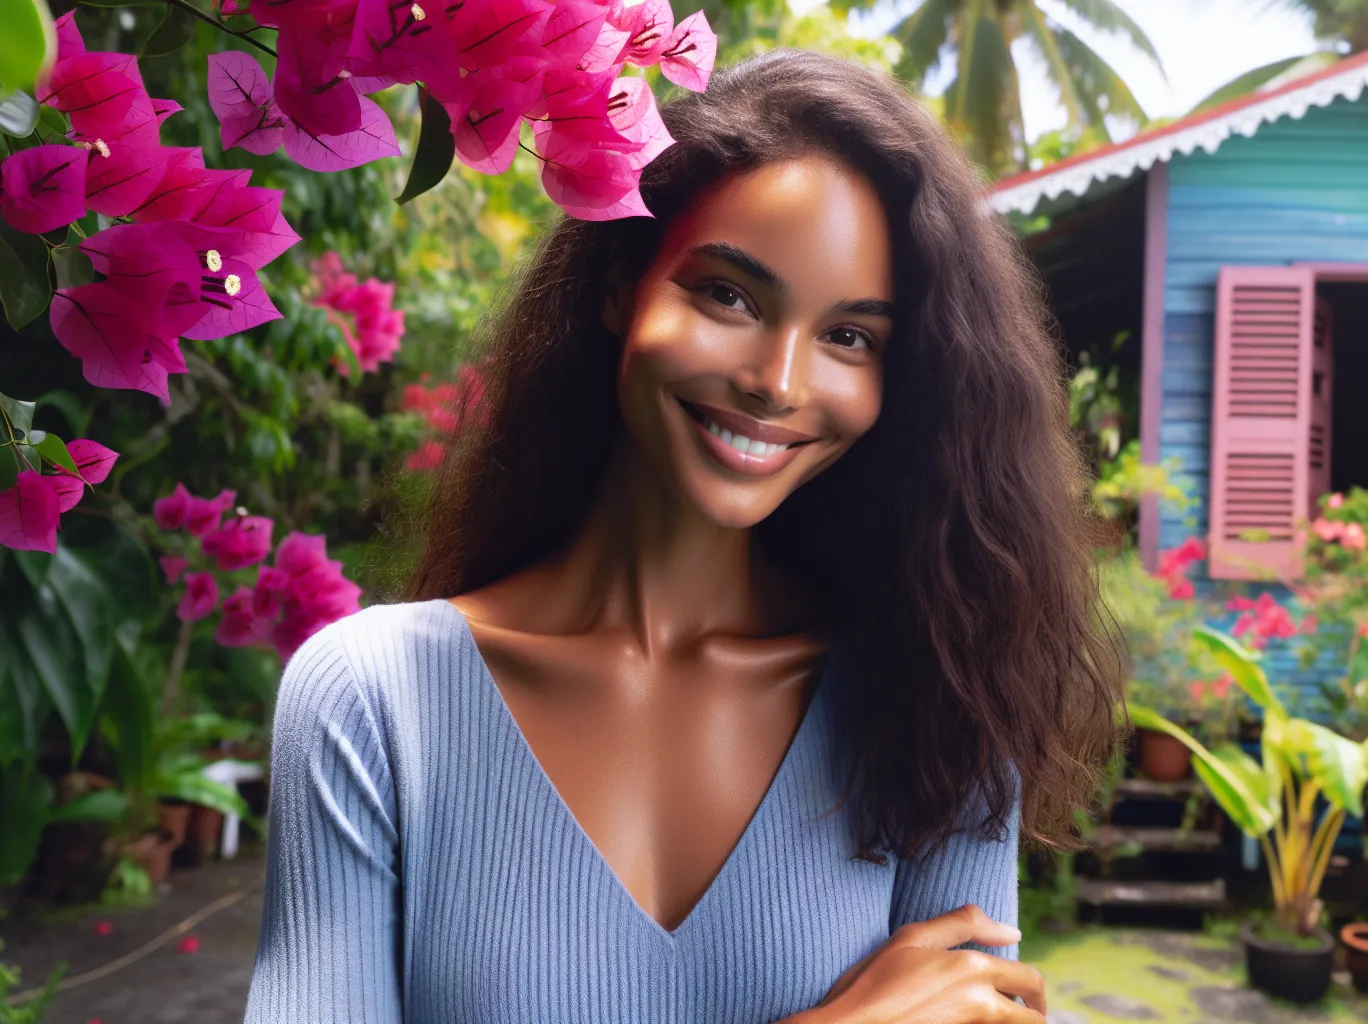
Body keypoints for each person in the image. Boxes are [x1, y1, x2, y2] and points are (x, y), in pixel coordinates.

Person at [246, 49, 1125, 1024]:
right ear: (622, 284)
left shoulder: (939, 702)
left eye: (850, 337)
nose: (778, 381)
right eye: (730, 295)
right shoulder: (372, 702)